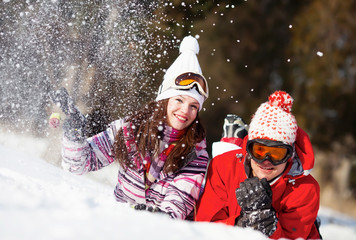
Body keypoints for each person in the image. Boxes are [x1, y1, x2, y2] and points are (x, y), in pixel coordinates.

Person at [50, 36, 210, 220]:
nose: (185, 111)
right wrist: (74, 136)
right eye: (179, 100)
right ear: (165, 100)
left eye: (193, 106)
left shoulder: (195, 153)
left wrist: (154, 217)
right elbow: (79, 164)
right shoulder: (130, 130)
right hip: (121, 223)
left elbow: (179, 201)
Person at [195, 91, 322, 239]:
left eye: (276, 154)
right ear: (248, 149)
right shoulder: (223, 166)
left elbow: (292, 236)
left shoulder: (305, 189)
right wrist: (239, 224)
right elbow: (204, 227)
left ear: (289, 155)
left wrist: (267, 222)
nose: (266, 161)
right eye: (259, 151)